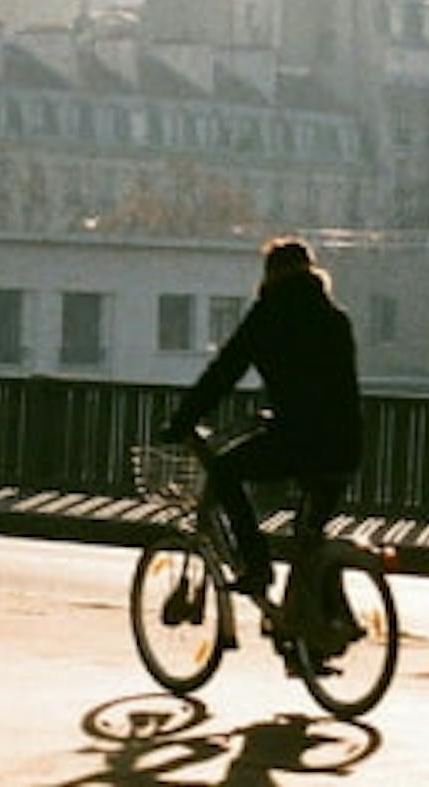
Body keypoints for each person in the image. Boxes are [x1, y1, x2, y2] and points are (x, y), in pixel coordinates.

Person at [157, 236, 363, 600]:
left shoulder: (268, 315)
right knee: (310, 534)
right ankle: (322, 624)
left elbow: (222, 374)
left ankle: (257, 565)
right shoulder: (335, 319)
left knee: (224, 473)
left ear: (271, 275)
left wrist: (181, 421)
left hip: (298, 441)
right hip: (346, 445)